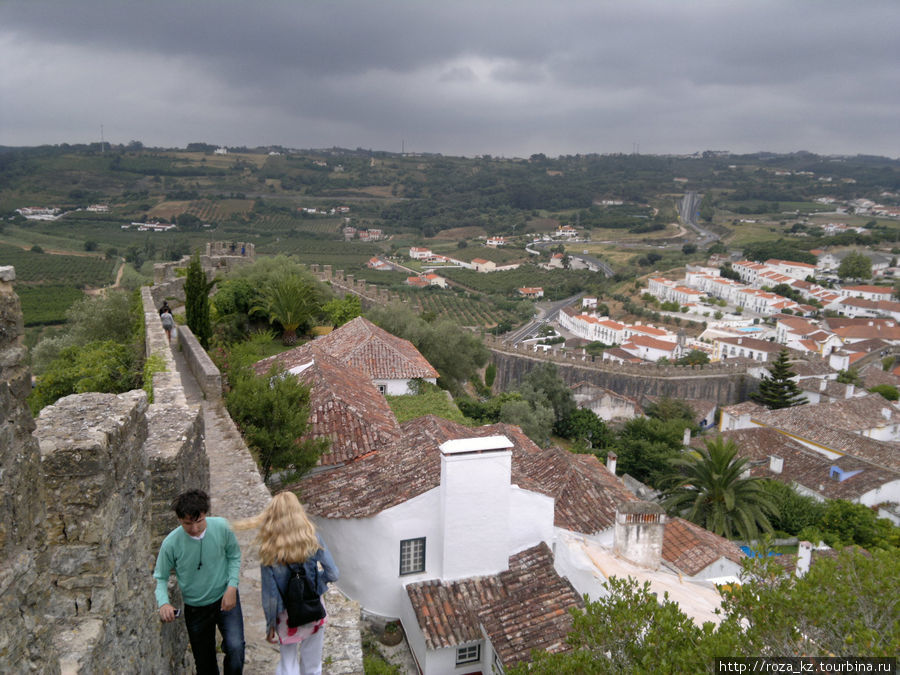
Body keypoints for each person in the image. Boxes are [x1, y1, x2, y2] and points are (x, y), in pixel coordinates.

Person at [234, 492, 338, 675]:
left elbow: (270, 595)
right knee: (313, 665)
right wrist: (317, 587)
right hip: (313, 609)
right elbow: (333, 573)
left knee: (288, 664)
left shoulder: (269, 549)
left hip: (287, 616)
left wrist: (270, 625)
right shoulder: (312, 537)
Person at [154, 489, 245, 675]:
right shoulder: (170, 543)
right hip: (196, 608)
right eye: (187, 524)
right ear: (179, 520)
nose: (194, 529)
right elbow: (160, 577)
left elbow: (234, 556)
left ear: (205, 514)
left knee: (236, 649)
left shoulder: (222, 527)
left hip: (225, 599)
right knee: (204, 664)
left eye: (199, 521)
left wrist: (232, 586)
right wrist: (163, 602)